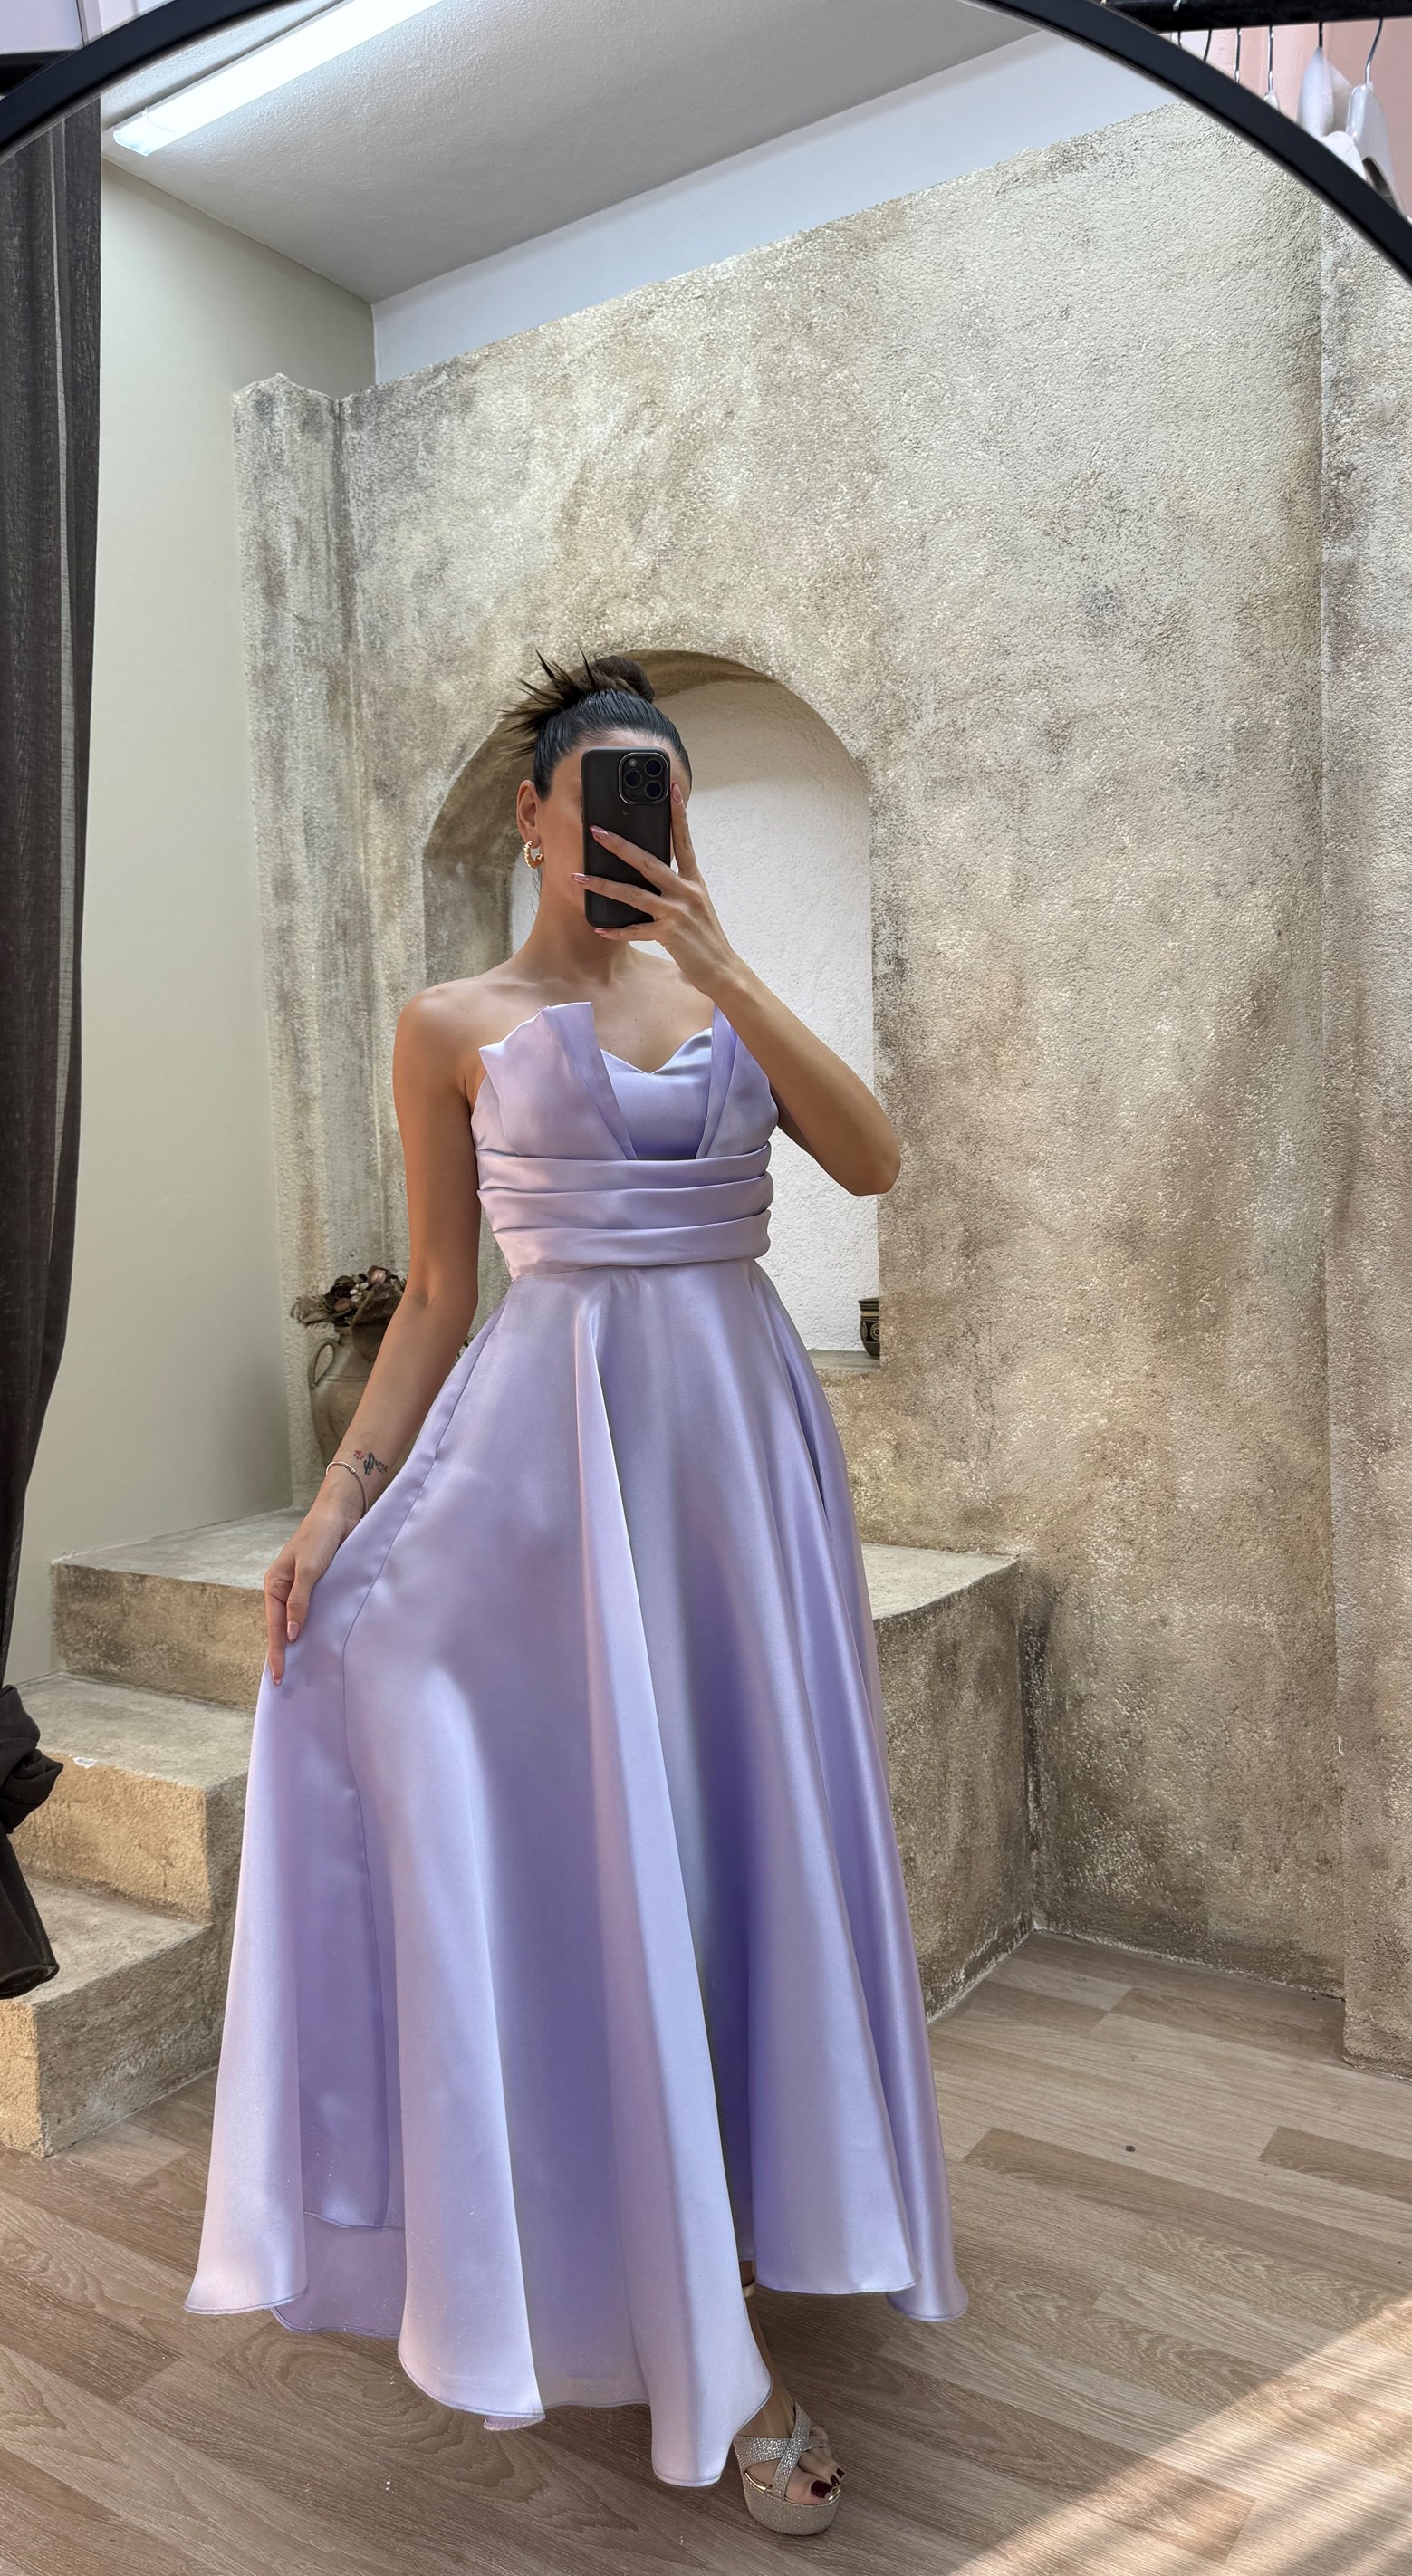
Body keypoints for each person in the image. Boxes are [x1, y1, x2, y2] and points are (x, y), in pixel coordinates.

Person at [185, 652, 967, 2537]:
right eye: (598, 796)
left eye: (660, 799)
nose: (626, 828)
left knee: (739, 1850)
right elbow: (438, 1298)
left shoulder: (719, 996)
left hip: (740, 1474)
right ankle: (693, 2326)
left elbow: (872, 1159)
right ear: (533, 818)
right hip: (548, 1480)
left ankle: (750, 2220)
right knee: (598, 1865)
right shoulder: (449, 1023)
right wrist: (333, 1514)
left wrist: (726, 965)